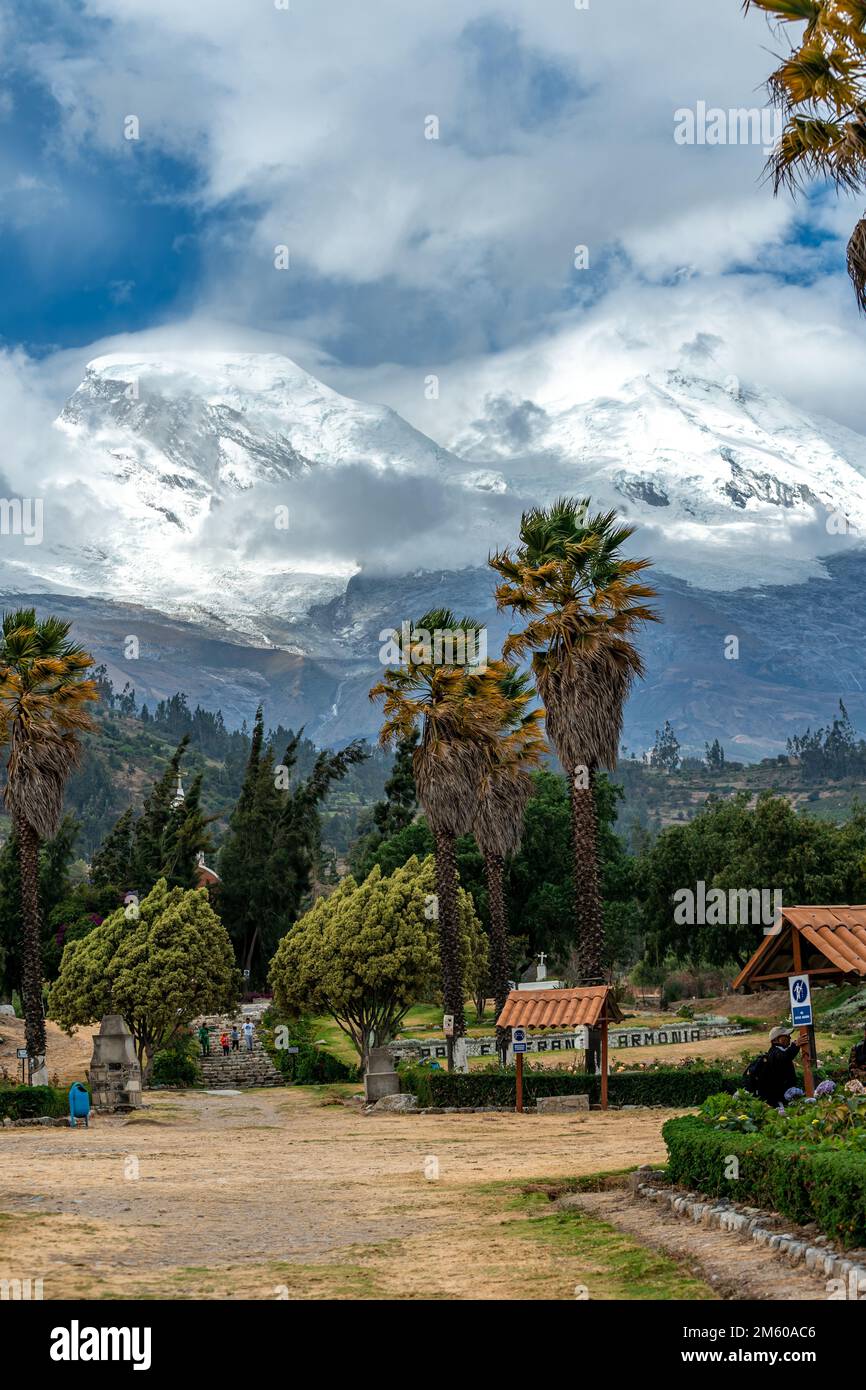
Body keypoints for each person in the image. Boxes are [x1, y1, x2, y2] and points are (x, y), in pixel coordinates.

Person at [756, 1025, 802, 1107]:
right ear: (776, 1040)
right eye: (786, 1036)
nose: (789, 1038)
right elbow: (784, 1058)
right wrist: (795, 1046)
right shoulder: (774, 1052)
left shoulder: (780, 1051)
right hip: (778, 1099)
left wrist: (794, 1046)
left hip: (782, 1097)